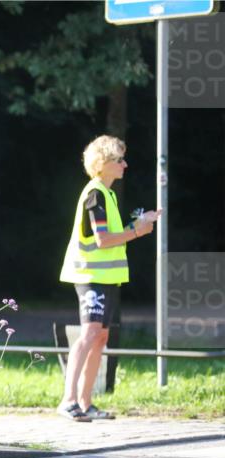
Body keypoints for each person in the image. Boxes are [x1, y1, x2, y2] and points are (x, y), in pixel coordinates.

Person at [58, 135, 160, 421]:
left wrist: (139, 223)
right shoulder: (95, 194)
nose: (125, 165)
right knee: (90, 333)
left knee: (100, 337)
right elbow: (103, 240)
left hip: (107, 278)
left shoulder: (108, 194)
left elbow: (110, 234)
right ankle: (68, 400)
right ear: (102, 164)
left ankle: (85, 402)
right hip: (90, 276)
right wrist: (137, 232)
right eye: (119, 160)